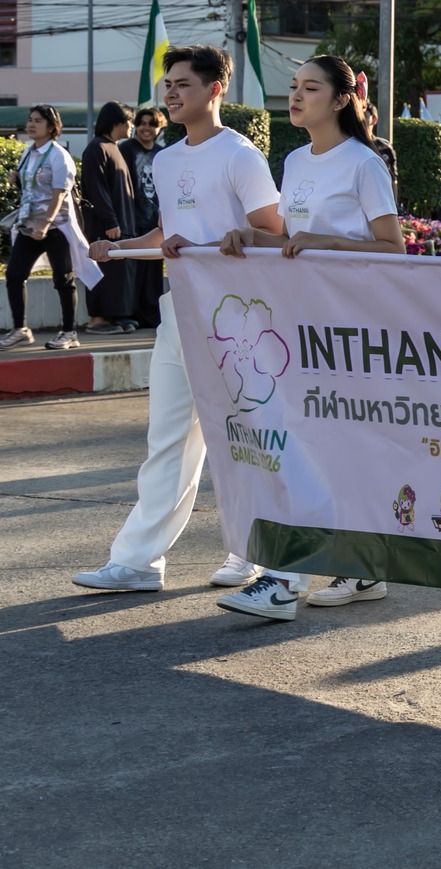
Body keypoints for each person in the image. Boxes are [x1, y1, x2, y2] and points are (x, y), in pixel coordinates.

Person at [72, 46, 284, 593]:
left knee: (244, 439)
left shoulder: (240, 155)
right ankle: (138, 562)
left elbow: (275, 232)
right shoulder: (166, 160)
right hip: (179, 310)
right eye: (168, 84)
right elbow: (168, 235)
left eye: (183, 83)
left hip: (237, 323)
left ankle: (250, 552)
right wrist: (117, 248)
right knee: (167, 441)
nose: (170, 93)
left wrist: (230, 240)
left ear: (216, 89)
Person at [213, 55, 406, 618]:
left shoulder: (364, 163)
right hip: (299, 323)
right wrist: (252, 236)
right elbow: (295, 240)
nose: (295, 96)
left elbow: (393, 249)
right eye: (294, 87)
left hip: (352, 326)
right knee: (315, 447)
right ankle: (362, 570)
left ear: (343, 99)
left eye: (310, 88)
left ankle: (285, 581)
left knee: (324, 447)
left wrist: (329, 243)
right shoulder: (296, 160)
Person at [3, 105, 86, 351]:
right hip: (29, 224)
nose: (31, 124)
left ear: (52, 126)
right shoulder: (28, 152)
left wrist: (46, 222)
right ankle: (20, 330)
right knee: (14, 275)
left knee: (63, 279)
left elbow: (60, 193)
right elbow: (31, 185)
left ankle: (69, 332)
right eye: (30, 120)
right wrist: (16, 177)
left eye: (38, 121)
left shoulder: (59, 155)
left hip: (56, 226)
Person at [78, 102, 140, 333]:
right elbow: (97, 189)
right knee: (103, 270)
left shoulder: (113, 147)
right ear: (116, 122)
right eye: (128, 121)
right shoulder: (96, 148)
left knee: (117, 274)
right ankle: (97, 320)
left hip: (121, 224)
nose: (131, 126)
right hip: (105, 226)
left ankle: (116, 318)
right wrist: (110, 221)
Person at [121, 107, 168, 328]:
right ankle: (131, 314)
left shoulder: (162, 154)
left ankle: (151, 316)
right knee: (134, 273)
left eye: (152, 124)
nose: (146, 128)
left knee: (153, 274)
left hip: (155, 222)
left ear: (159, 129)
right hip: (133, 220)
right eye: (142, 123)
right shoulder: (126, 149)